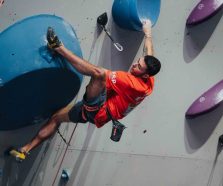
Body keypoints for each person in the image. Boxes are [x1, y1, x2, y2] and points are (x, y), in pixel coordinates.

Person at [8, 20, 161, 162]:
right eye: (138, 62)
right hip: (98, 113)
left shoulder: (131, 83)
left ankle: (58, 47)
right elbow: (149, 52)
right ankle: (24, 150)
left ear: (145, 74)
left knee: (99, 74)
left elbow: (98, 73)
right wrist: (148, 33)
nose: (135, 65)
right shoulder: (149, 80)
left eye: (139, 67)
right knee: (56, 118)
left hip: (98, 110)